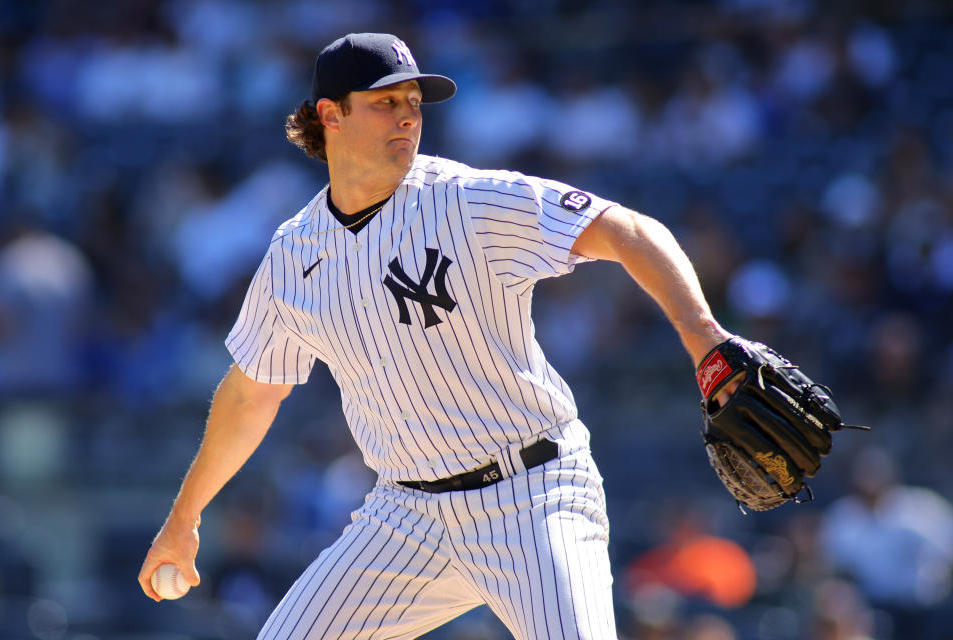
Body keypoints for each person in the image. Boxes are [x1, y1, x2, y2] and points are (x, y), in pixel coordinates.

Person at [138, 32, 734, 640]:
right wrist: (184, 517)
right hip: (406, 517)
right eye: (384, 103)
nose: (406, 118)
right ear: (330, 115)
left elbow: (626, 229)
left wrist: (705, 339)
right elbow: (250, 394)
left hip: (532, 493)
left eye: (413, 104)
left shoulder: (465, 200)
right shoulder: (294, 254)